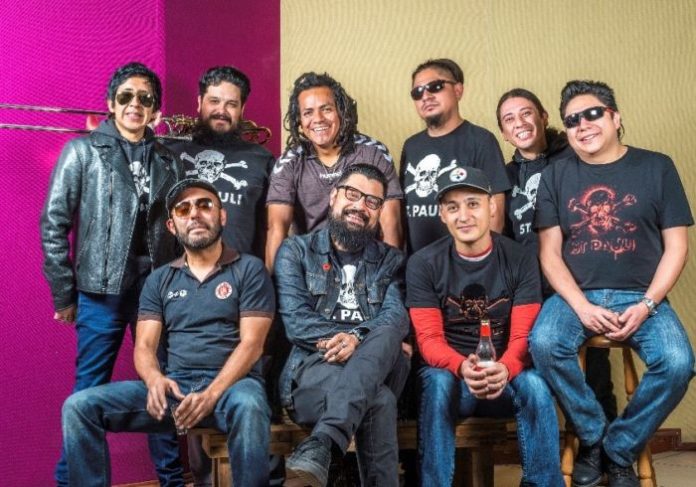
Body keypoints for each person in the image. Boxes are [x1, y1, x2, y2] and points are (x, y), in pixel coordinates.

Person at [530, 80, 694, 487]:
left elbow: (677, 247)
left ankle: (617, 448)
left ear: (616, 118)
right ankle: (593, 433)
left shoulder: (657, 167)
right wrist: (581, 306)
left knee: (678, 362)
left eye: (592, 114)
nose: (582, 125)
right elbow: (550, 253)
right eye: (572, 120)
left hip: (642, 296)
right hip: (576, 297)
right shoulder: (555, 175)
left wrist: (648, 304)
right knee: (544, 343)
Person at [61, 178, 275, 487]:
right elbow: (145, 346)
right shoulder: (159, 280)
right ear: (172, 226)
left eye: (204, 205)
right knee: (79, 407)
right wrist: (154, 380)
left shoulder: (249, 269)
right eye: (183, 209)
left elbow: (252, 344)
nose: (195, 214)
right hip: (177, 387)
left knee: (251, 405)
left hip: (233, 388)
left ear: (222, 216)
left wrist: (211, 394)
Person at [41, 62, 184, 486]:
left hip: (154, 293)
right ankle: (70, 482)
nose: (134, 105)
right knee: (87, 395)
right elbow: (53, 224)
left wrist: (179, 291)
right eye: (126, 96)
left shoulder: (169, 160)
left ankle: (172, 480)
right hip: (99, 293)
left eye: (144, 98)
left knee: (160, 386)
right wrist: (64, 294)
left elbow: (179, 230)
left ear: (155, 109)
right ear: (110, 103)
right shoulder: (82, 152)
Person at [406, 165, 563, 487]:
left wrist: (505, 368)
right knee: (435, 381)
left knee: (536, 384)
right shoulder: (423, 263)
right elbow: (429, 340)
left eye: (473, 204)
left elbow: (523, 336)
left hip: (506, 377)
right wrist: (462, 367)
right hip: (454, 379)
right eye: (453, 207)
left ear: (492, 207)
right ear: (442, 215)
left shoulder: (520, 258)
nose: (463, 216)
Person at [274, 164, 410, 486]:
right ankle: (329, 440)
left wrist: (359, 339)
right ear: (334, 196)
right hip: (314, 369)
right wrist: (360, 340)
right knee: (380, 399)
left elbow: (394, 318)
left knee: (393, 327)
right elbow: (297, 322)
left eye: (372, 201)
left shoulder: (393, 261)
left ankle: (322, 443)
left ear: (379, 211)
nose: (360, 206)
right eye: (353, 194)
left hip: (380, 366)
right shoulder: (296, 251)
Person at [496, 88, 617, 421]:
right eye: (509, 119)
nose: (520, 123)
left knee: (594, 369)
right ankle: (548, 443)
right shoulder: (506, 176)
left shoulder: (575, 159)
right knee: (536, 368)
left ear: (544, 117)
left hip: (577, 281)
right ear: (504, 133)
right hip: (530, 286)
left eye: (526, 113)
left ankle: (602, 441)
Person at [266, 72, 403, 270]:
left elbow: (391, 222)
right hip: (312, 265)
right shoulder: (289, 163)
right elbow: (277, 228)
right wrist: (271, 285)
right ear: (299, 121)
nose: (318, 119)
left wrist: (389, 277)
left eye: (326, 109)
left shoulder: (372, 153)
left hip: (365, 263)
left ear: (341, 111)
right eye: (308, 113)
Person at [400, 58, 510, 254]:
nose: (425, 96)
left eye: (435, 86)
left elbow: (496, 214)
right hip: (418, 268)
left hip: (468, 266)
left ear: (458, 90)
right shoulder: (411, 146)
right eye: (417, 92)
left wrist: (482, 262)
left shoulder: (481, 140)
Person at [166, 65, 275, 258]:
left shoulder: (262, 160)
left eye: (231, 104)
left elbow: (274, 227)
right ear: (200, 102)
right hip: (179, 272)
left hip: (243, 273)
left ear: (242, 109)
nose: (221, 111)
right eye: (214, 101)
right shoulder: (170, 154)